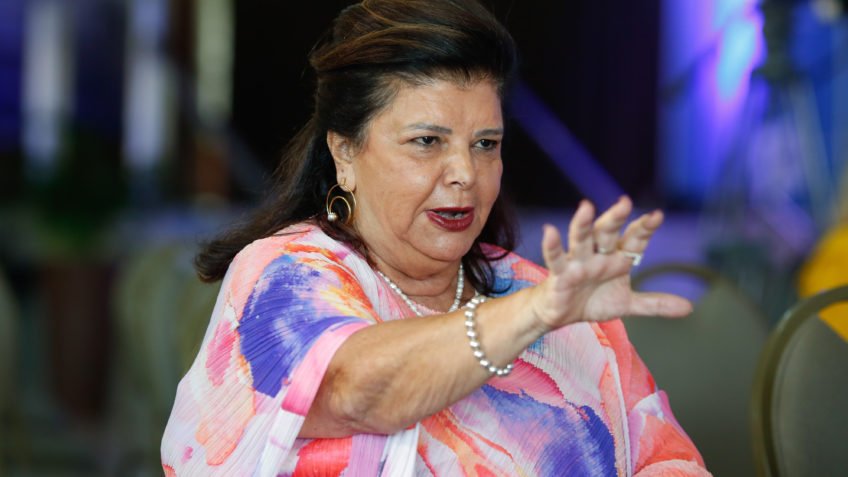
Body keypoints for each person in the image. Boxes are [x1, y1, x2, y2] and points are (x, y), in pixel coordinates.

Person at [161, 1, 710, 475]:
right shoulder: (286, 274)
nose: (465, 174)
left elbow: (668, 461)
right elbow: (356, 390)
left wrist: (544, 306)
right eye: (427, 141)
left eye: (485, 144)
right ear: (344, 152)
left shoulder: (544, 293)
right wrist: (535, 313)